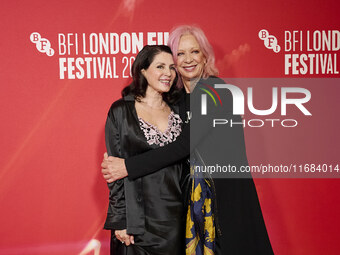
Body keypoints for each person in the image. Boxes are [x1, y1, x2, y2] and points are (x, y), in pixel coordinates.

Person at [102, 25, 274, 254]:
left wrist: (127, 166)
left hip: (227, 197)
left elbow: (184, 146)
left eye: (194, 52)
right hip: (192, 203)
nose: (187, 59)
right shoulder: (178, 99)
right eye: (180, 54)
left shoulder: (215, 90)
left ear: (205, 55)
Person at [103, 44, 187, 255]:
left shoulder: (180, 109)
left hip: (177, 219)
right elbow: (114, 172)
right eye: (160, 66)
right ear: (142, 70)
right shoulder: (121, 111)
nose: (168, 73)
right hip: (137, 222)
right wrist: (120, 220)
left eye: (171, 67)